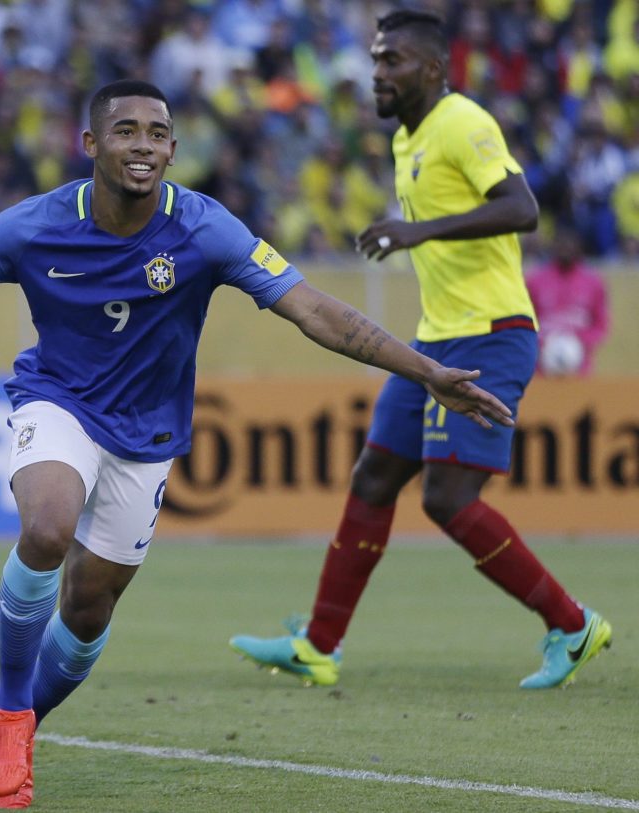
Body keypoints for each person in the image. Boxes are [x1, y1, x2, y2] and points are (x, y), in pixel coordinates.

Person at [0, 80, 514, 809]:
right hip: (57, 401)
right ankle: (8, 713)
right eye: (125, 130)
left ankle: (24, 715)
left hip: (147, 435)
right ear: (89, 145)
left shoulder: (204, 227)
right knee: (47, 526)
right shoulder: (28, 227)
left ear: (172, 148)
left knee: (88, 611)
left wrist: (425, 370)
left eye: (159, 133)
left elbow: (316, 312)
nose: (145, 145)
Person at [229, 11, 612, 692]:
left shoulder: (463, 121)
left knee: (449, 499)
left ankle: (573, 623)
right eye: (376, 60)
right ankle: (318, 644)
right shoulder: (408, 138)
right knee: (374, 476)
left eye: (393, 61)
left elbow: (522, 207)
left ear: (434, 69)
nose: (378, 72)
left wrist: (417, 231)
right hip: (436, 337)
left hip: (492, 332)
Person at [526, 227, 609, 377]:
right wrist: (543, 342)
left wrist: (579, 342)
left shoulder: (593, 282)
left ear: (578, 247)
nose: (566, 249)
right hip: (542, 367)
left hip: (580, 367)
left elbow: (600, 324)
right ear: (553, 246)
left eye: (570, 245)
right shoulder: (536, 280)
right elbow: (526, 321)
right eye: (561, 244)